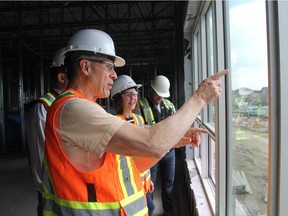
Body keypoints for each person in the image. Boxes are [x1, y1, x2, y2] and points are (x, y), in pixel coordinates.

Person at [42, 28, 228, 215]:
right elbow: (151, 142)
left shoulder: (88, 109)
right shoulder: (73, 108)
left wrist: (173, 138)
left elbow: (133, 164)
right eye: (109, 66)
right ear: (85, 67)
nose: (114, 75)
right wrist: (199, 99)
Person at [25, 48, 68, 216]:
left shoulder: (70, 104)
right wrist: (47, 190)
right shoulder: (42, 108)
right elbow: (40, 157)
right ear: (61, 77)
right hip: (52, 191)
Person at [111, 74, 155, 216]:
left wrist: (148, 179)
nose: (134, 98)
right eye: (128, 94)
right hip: (126, 185)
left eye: (135, 94)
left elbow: (142, 154)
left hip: (142, 181)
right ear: (118, 97)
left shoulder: (139, 119)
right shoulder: (114, 123)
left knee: (150, 208)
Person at [138, 75, 176, 215]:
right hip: (150, 153)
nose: (160, 98)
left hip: (169, 152)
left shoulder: (169, 105)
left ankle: (168, 210)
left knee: (168, 183)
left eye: (162, 95)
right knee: (149, 185)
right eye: (158, 94)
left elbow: (175, 126)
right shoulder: (140, 106)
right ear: (151, 90)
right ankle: (148, 211)